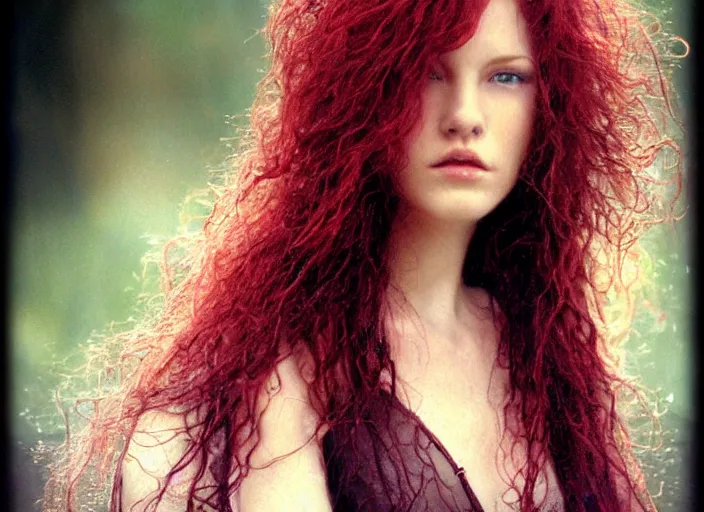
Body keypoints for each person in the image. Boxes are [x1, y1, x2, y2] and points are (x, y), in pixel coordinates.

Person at [42, 0, 687, 510]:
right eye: (428, 71)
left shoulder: (553, 359)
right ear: (365, 90)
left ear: (551, 106)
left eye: (506, 77)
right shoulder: (285, 365)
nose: (464, 115)